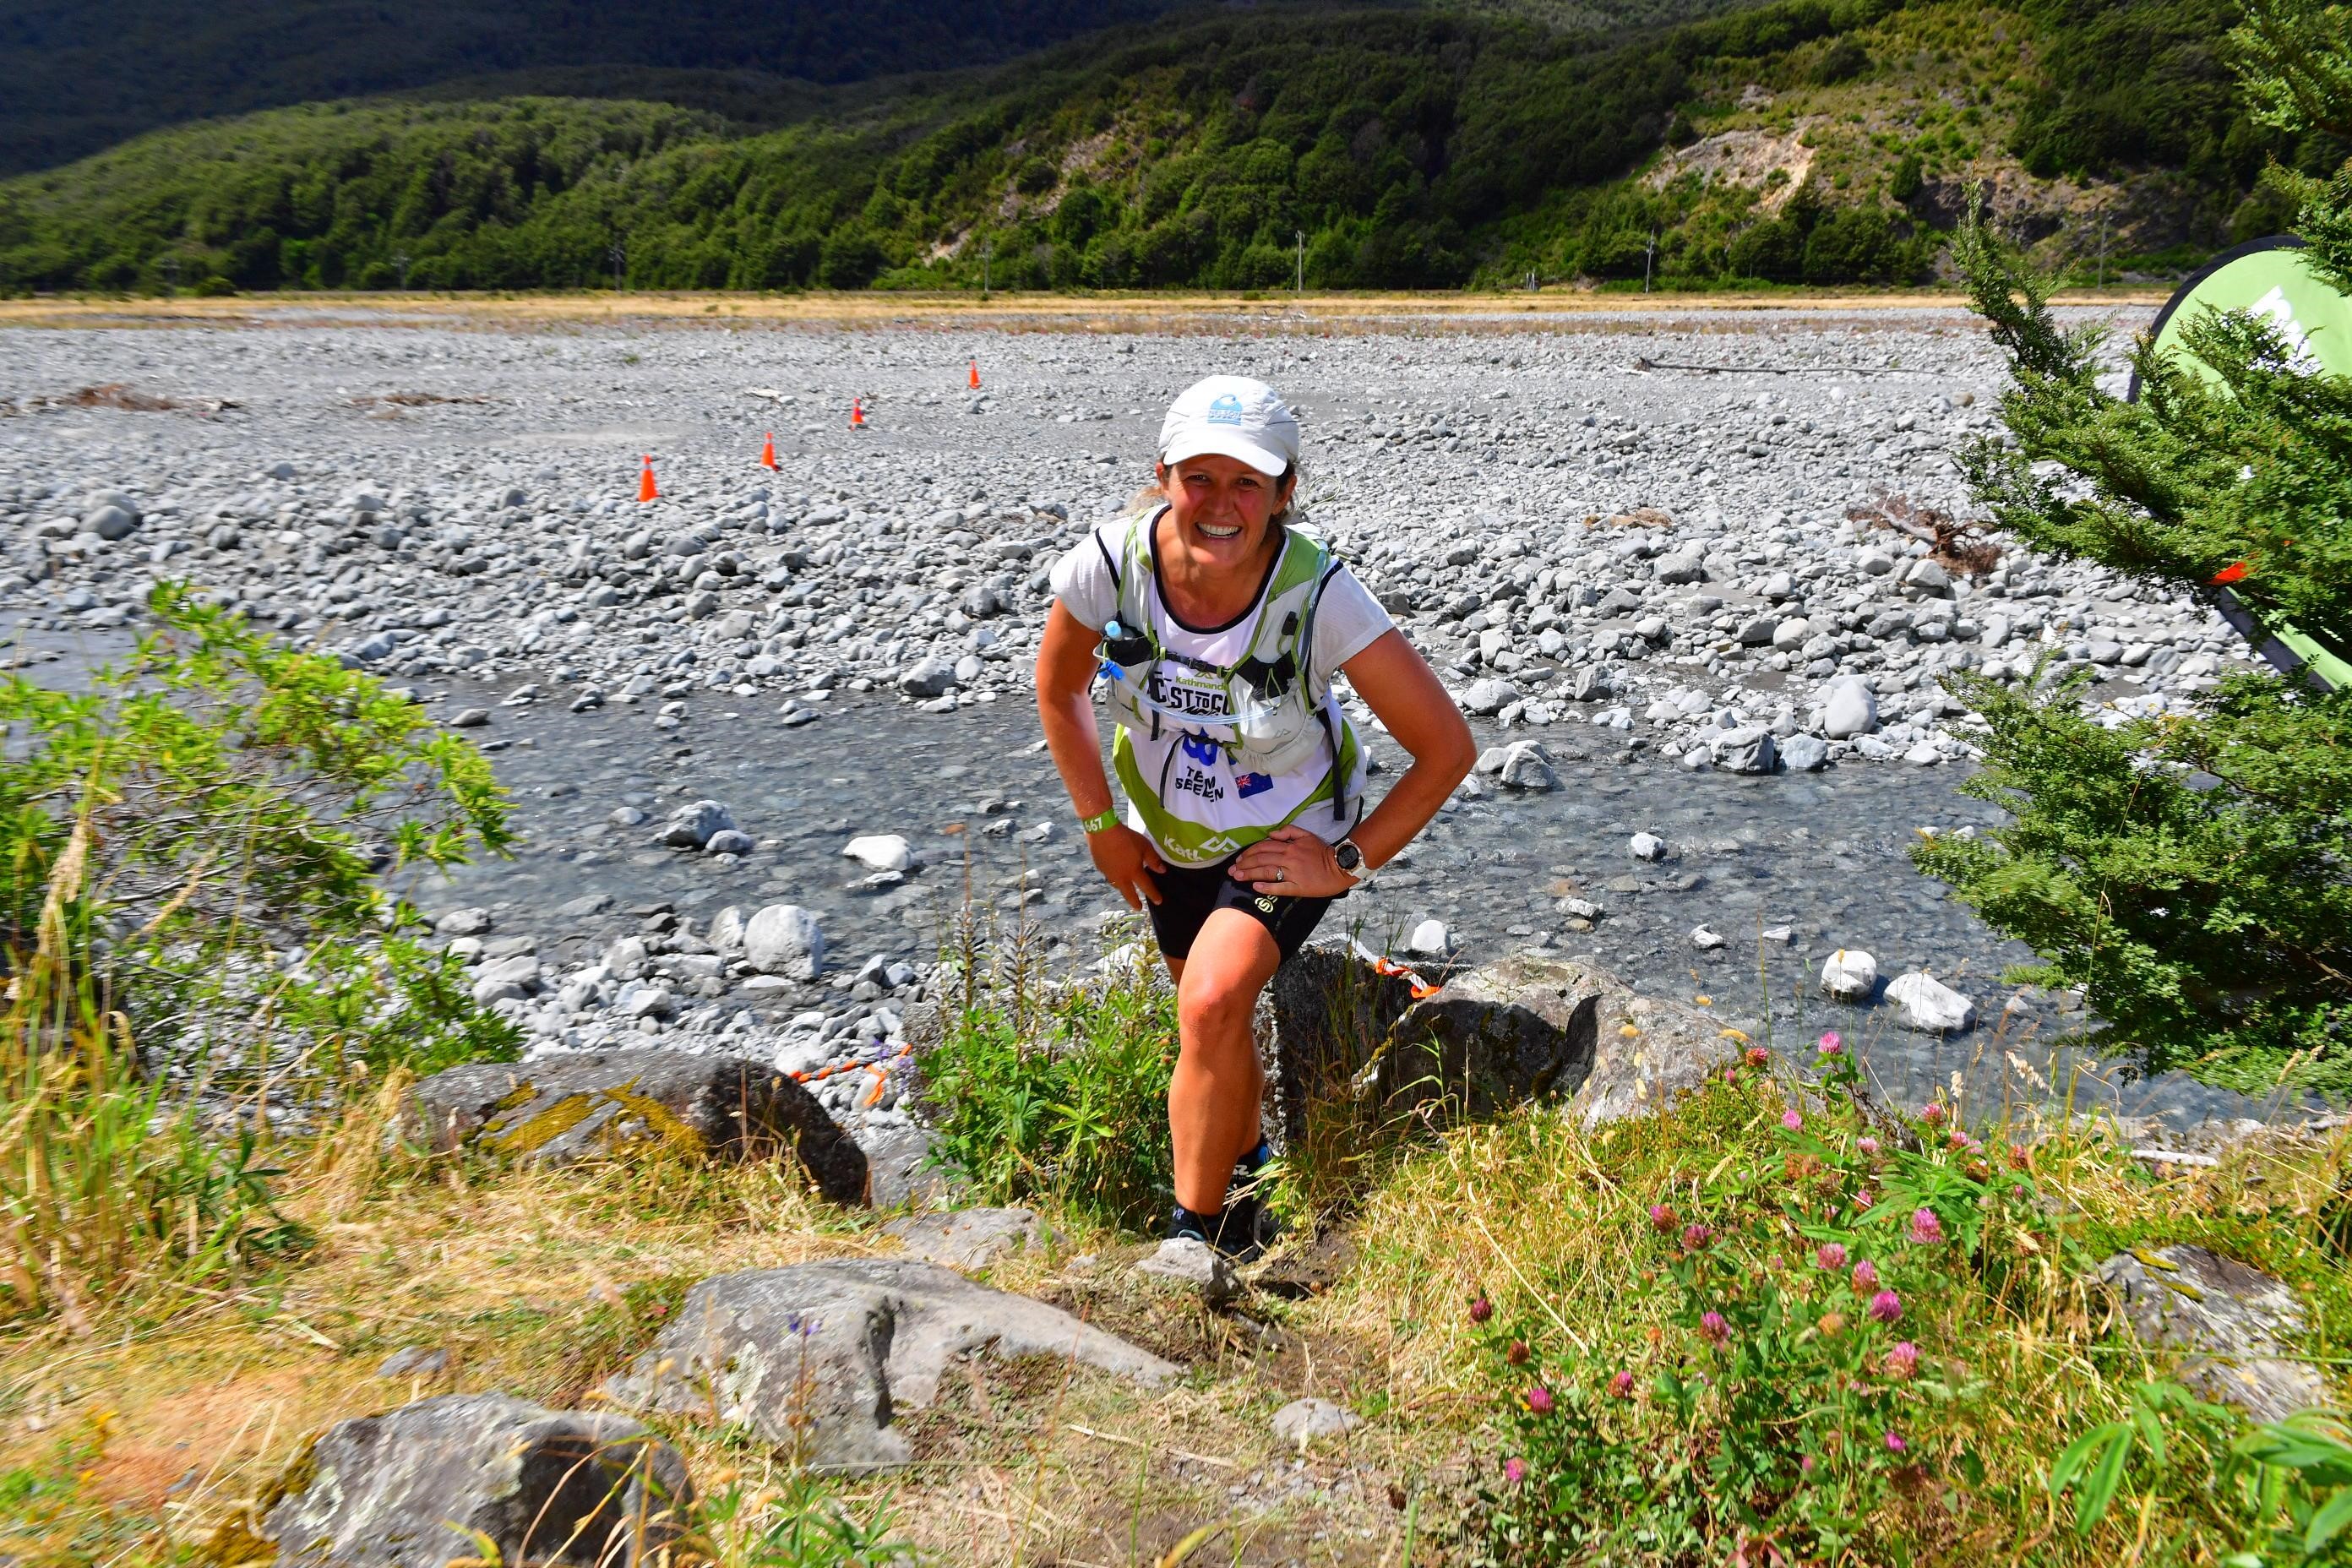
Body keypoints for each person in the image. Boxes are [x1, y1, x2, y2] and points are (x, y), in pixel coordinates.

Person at [1035, 374, 1476, 1258]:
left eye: (1249, 482)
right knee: (1215, 1025)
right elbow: (1057, 689)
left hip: (1286, 841)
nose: (1222, 504)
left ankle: (1191, 1244)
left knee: (1206, 1004)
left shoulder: (1321, 596)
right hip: (1166, 838)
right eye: (1201, 477)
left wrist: (1345, 860)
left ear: (1286, 491)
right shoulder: (1111, 565)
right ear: (1163, 475)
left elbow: (1447, 747)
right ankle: (1250, 1204)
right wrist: (1100, 826)